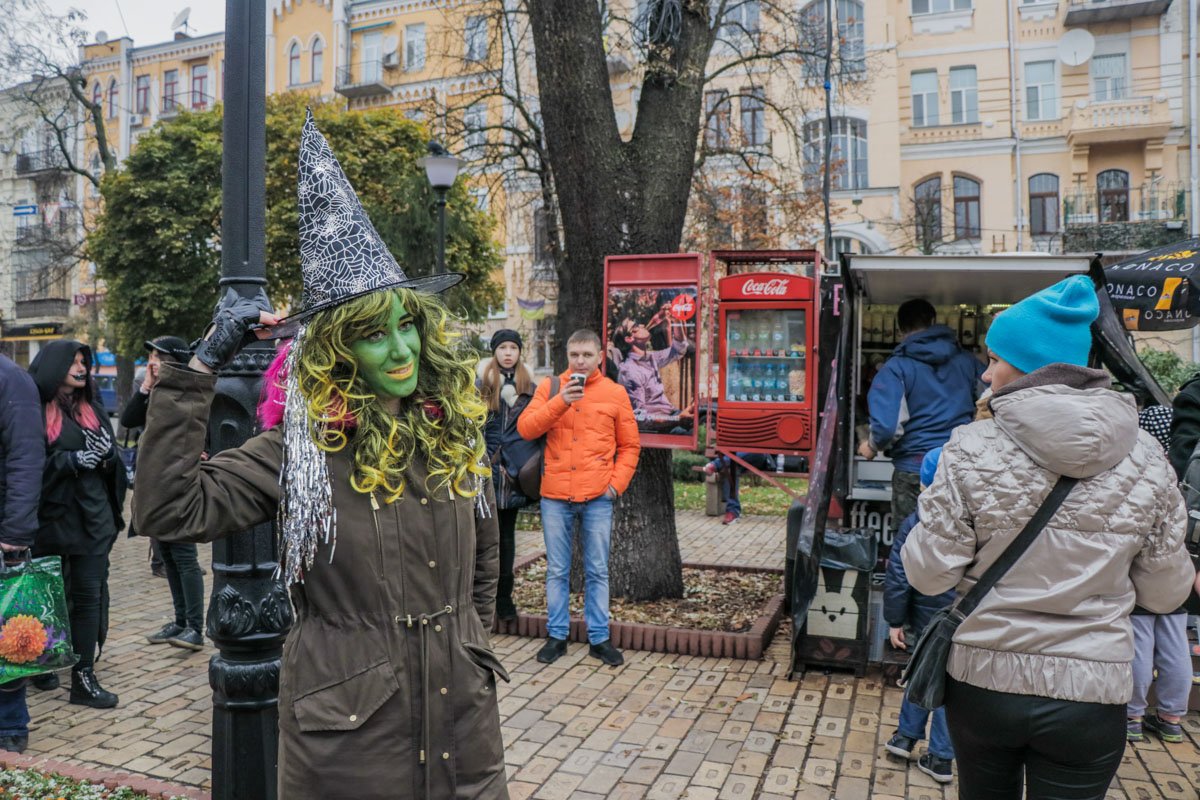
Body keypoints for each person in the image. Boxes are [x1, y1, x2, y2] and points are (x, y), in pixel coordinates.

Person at [133, 112, 508, 798]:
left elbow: (483, 562)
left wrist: (468, 645)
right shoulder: (298, 455)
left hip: (463, 725)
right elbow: (167, 505)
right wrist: (201, 366)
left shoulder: (454, 434)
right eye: (373, 336)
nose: (399, 352)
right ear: (339, 349)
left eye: (406, 327)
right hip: (350, 740)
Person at [902, 275, 1195, 800]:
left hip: (984, 681)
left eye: (995, 358)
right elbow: (1166, 593)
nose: (986, 371)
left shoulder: (968, 447)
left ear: (1028, 363)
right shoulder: (1148, 456)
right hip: (1093, 689)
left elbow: (929, 575)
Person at [518, 329, 640, 667]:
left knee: (597, 569)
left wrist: (615, 486)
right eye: (575, 355)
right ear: (567, 356)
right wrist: (561, 402)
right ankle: (557, 636)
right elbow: (527, 429)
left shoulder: (615, 393)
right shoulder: (550, 387)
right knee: (557, 569)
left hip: (598, 495)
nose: (580, 361)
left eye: (587, 355)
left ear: (600, 356)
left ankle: (599, 638)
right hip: (555, 495)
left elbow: (630, 446)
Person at [28, 340, 127, 709]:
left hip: (92, 521)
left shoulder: (94, 411)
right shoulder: (35, 412)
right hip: (51, 522)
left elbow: (112, 467)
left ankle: (83, 677)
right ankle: (41, 663)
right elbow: (28, 466)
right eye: (73, 361)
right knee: (47, 598)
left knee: (89, 598)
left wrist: (106, 458)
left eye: (84, 360)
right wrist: (71, 461)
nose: (81, 366)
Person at [858, 298, 983, 523]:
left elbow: (887, 427)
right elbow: (991, 400)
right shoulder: (968, 361)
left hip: (913, 470)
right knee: (954, 539)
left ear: (899, 329)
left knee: (910, 541)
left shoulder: (895, 368)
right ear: (934, 321)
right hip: (957, 467)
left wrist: (871, 446)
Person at [121, 336, 206, 651]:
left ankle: (195, 628)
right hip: (156, 483)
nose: (151, 362)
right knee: (167, 554)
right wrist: (146, 386)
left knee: (184, 555)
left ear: (174, 361)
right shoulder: (154, 390)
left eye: (158, 356)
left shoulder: (189, 389)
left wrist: (204, 449)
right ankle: (181, 621)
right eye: (151, 356)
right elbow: (130, 420)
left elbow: (202, 423)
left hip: (179, 483)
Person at [883, 447, 955, 784]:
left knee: (921, 674)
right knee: (953, 686)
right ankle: (941, 758)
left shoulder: (916, 522)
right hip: (965, 617)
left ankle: (905, 737)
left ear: (923, 485)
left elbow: (899, 574)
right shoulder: (978, 521)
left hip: (926, 618)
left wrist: (895, 620)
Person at [1125, 404, 1194, 744]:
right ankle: (1171, 718)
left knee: (1139, 643)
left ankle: (1133, 716)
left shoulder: (1140, 466)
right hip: (1177, 571)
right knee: (1174, 643)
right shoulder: (1180, 469)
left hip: (1142, 571)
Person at [0, 352, 46, 752]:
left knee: (7, 632)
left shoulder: (11, 380)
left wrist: (14, 534)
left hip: (2, 531)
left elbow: (26, 459)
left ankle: (10, 725)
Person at [478, 329, 540, 621]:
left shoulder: (531, 388)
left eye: (512, 348)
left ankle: (504, 601)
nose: (507, 353)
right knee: (481, 541)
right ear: (494, 351)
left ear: (519, 352)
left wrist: (520, 464)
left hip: (514, 477)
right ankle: (480, 600)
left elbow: (536, 432)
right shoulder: (480, 386)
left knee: (506, 541)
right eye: (502, 347)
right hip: (483, 475)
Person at [612, 314, 692, 430]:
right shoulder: (630, 372)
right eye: (635, 326)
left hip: (671, 415)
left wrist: (676, 320)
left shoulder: (650, 357)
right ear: (629, 339)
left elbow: (678, 350)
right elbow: (641, 419)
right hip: (663, 426)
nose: (642, 325)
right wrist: (678, 419)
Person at [702, 452, 778, 525]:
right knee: (732, 467)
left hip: (759, 456)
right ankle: (732, 511)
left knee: (751, 450)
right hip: (737, 457)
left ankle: (716, 464)